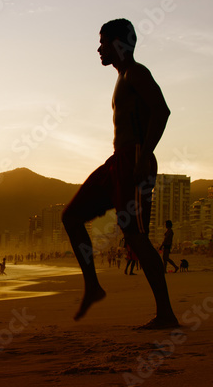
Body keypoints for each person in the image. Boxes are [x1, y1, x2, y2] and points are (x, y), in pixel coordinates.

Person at [61, 19, 177, 328]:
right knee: (71, 216)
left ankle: (166, 314)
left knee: (136, 238)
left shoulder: (136, 73)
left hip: (134, 159)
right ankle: (93, 286)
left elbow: (161, 110)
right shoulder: (122, 77)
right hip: (117, 163)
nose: (99, 48)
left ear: (119, 43)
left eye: (103, 42)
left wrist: (146, 152)